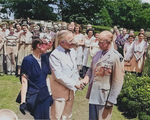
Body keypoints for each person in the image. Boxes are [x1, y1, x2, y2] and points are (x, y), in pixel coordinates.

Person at [81, 31, 124, 120]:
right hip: (94, 94)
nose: (98, 44)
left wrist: (111, 100)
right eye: (98, 41)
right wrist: (86, 78)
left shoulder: (116, 57)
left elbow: (118, 81)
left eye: (101, 42)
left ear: (109, 42)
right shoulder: (98, 53)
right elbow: (91, 69)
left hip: (105, 97)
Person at [49, 30, 82, 120]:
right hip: (59, 92)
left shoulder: (72, 51)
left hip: (71, 91)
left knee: (67, 116)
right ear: (62, 41)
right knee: (56, 116)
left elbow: (74, 69)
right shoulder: (55, 55)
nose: (73, 43)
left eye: (72, 40)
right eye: (70, 41)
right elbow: (58, 75)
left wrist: (78, 81)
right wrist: (74, 84)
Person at [19, 35, 53, 119]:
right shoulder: (28, 60)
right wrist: (22, 102)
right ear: (39, 45)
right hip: (35, 97)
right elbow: (24, 81)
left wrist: (50, 94)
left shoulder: (45, 58)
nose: (48, 47)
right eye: (46, 44)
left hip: (45, 96)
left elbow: (46, 77)